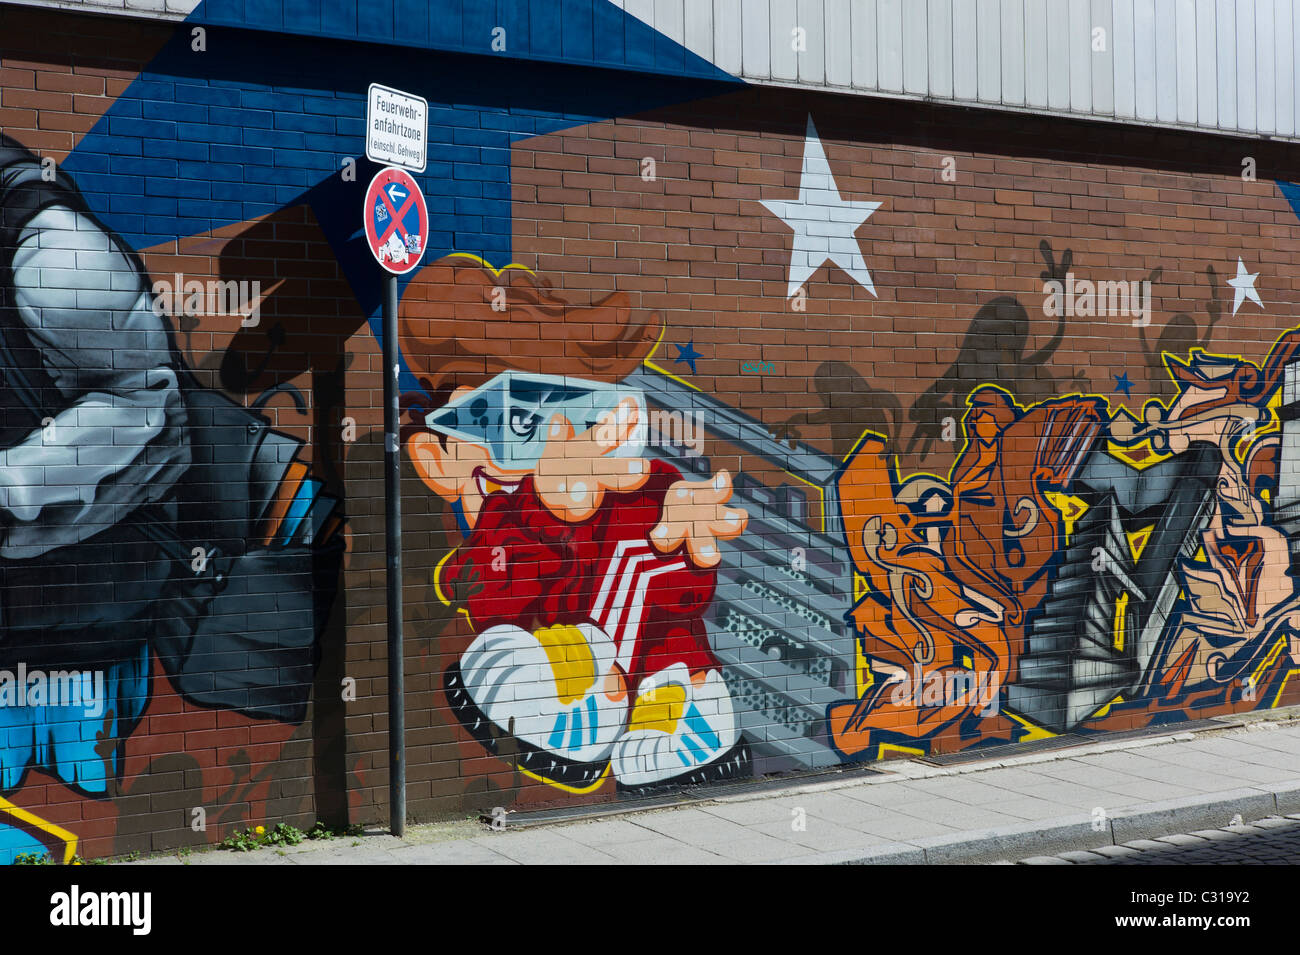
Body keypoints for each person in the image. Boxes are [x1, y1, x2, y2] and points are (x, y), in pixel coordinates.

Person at [400, 257, 750, 792]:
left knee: (673, 671)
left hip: (655, 665)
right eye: (510, 421)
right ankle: (570, 698)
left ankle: (671, 703)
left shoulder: (643, 489)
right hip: (558, 664)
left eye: (578, 413)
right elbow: (498, 593)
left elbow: (679, 598)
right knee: (546, 656)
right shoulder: (496, 522)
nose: (531, 455)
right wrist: (546, 506)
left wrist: (684, 550)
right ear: (435, 456)